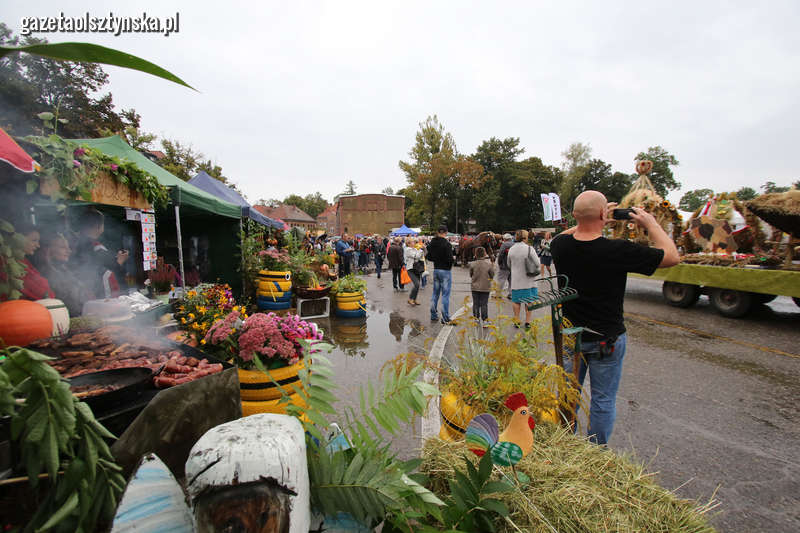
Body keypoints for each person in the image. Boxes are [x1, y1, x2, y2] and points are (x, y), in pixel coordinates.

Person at [551, 190, 679, 445]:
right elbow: (672, 257)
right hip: (606, 338)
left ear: (574, 215)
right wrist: (651, 224)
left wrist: (588, 218)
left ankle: (564, 443)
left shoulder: (560, 246)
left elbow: (563, 235)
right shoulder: (618, 250)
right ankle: (596, 451)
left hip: (570, 336)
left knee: (568, 395)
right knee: (603, 399)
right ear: (603, 214)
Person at [71, 209, 129, 299]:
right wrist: (120, 260)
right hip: (102, 296)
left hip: (84, 295)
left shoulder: (75, 243)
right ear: (98, 226)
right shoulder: (95, 247)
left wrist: (116, 259)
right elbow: (109, 271)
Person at [37, 232, 92, 316]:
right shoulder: (45, 274)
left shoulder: (64, 270)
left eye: (68, 247)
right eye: (63, 247)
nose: (69, 251)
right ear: (48, 249)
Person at [507, 229, 540, 329]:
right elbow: (537, 263)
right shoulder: (529, 249)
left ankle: (517, 321)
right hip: (529, 280)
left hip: (516, 280)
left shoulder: (511, 249)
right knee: (529, 301)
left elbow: (509, 264)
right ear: (526, 237)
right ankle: (527, 321)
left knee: (516, 301)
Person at [18, 223, 55, 301]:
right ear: (18, 238)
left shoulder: (24, 261)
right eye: (34, 240)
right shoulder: (9, 263)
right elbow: (38, 292)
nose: (38, 245)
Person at [426, 224, 454, 324]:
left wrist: (436, 259)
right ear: (445, 233)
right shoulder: (447, 244)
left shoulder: (432, 243)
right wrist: (452, 261)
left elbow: (428, 257)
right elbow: (450, 259)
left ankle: (433, 314)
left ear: (437, 232)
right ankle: (445, 317)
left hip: (436, 269)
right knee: (445, 295)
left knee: (435, 293)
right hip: (445, 270)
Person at [469, 246, 494, 326]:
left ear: (475, 254)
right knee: (484, 304)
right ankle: (485, 320)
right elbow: (492, 275)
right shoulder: (489, 264)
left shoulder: (472, 264)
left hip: (475, 287)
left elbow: (471, 274)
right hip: (485, 287)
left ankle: (476, 319)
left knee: (475, 303)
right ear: (485, 254)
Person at [403, 237, 424, 306]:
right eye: (413, 242)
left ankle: (414, 299)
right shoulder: (407, 250)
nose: (414, 243)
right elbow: (416, 256)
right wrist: (420, 251)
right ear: (408, 243)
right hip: (410, 269)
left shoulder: (415, 249)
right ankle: (410, 299)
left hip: (417, 268)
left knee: (417, 285)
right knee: (417, 284)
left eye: (414, 242)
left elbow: (421, 256)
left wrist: (422, 250)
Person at [495, 233, 514, 299]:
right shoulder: (514, 244)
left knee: (501, 280)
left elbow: (500, 255)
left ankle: (498, 294)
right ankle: (511, 294)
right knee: (511, 281)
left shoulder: (504, 245)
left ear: (505, 239)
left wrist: (499, 262)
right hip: (512, 266)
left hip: (504, 265)